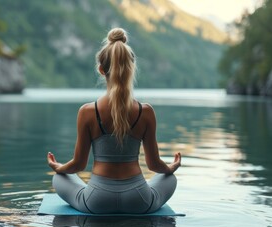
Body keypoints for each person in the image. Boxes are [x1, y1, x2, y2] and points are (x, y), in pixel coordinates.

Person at [47, 27, 181, 214]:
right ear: (131, 68)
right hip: (139, 200)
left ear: (101, 70)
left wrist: (58, 167)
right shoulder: (146, 111)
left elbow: (78, 164)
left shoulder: (87, 111)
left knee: (59, 178)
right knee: (170, 178)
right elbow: (154, 165)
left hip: (97, 201)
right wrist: (171, 167)